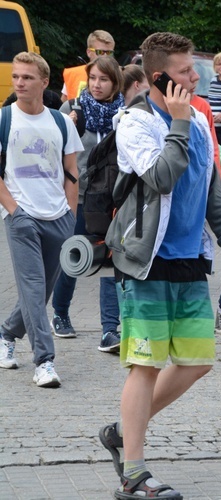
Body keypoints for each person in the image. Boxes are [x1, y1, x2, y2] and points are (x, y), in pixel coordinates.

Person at [97, 32, 221, 500]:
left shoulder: (200, 125)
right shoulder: (135, 122)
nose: (196, 77)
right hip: (143, 261)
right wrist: (179, 123)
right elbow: (162, 177)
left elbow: (210, 192)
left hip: (188, 260)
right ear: (160, 76)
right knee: (145, 365)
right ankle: (134, 473)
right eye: (185, 72)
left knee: (197, 361)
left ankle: (123, 430)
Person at [0, 52, 83, 387]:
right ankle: (44, 361)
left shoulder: (61, 122)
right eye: (17, 77)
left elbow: (72, 172)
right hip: (22, 218)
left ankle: (6, 334)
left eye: (27, 77)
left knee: (42, 290)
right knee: (33, 288)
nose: (19, 82)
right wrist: (13, 211)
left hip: (58, 217)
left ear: (44, 82)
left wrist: (70, 217)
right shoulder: (4, 119)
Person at [50, 56, 125, 353]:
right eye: (93, 78)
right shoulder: (72, 110)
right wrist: (65, 129)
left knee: (111, 260)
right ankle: (60, 313)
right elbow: (52, 150)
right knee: (74, 257)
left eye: (103, 79)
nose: (96, 84)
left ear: (115, 82)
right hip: (79, 197)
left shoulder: (126, 112)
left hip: (113, 199)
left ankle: (109, 330)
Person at [61, 30, 115, 102]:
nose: (105, 56)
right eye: (100, 52)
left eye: (109, 53)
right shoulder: (73, 74)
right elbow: (63, 106)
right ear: (89, 52)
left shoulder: (119, 76)